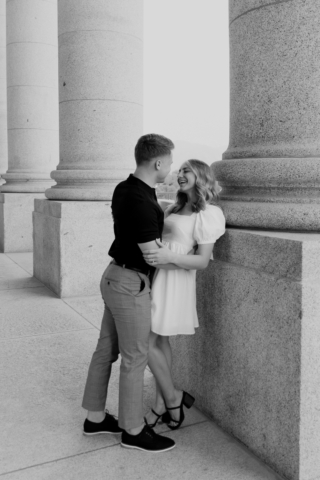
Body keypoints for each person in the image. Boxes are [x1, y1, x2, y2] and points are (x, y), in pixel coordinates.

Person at [81, 133, 177, 453]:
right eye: (170, 161)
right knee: (135, 357)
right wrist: (178, 256)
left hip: (114, 276)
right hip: (129, 284)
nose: (171, 167)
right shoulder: (141, 200)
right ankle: (133, 431)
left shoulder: (125, 188)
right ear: (158, 162)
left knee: (105, 350)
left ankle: (95, 419)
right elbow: (152, 255)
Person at [142, 159, 226, 430]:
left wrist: (167, 256)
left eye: (187, 171)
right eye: (180, 170)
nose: (180, 174)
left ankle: (171, 398)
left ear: (201, 175)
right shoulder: (173, 207)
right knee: (159, 340)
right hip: (158, 273)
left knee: (147, 341)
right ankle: (163, 402)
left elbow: (202, 262)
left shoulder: (208, 213)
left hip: (176, 277)